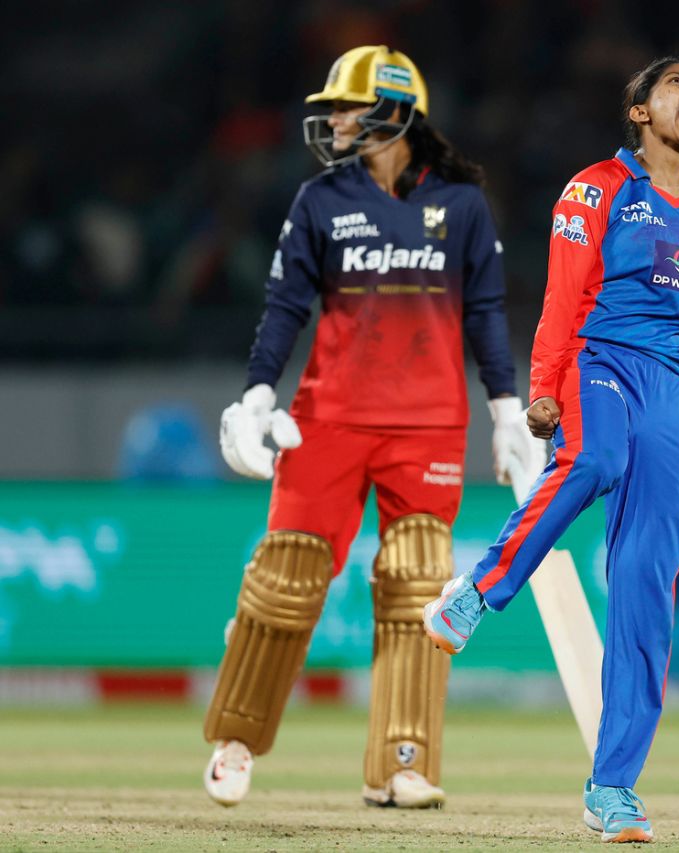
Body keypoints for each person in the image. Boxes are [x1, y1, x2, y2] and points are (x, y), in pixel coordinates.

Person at [203, 45, 543, 810]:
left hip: (426, 426)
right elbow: (287, 305)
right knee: (287, 578)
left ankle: (401, 763)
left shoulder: (459, 205)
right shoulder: (319, 200)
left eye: (348, 108)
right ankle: (236, 739)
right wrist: (259, 394)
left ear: (396, 110)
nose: (334, 122)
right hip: (328, 418)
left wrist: (504, 410)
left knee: (420, 583)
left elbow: (486, 312)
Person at [423, 57, 679, 843]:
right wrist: (545, 383)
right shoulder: (596, 188)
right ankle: (478, 591)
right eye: (678, 85)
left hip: (670, 393)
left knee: (645, 588)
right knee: (593, 461)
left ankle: (612, 789)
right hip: (601, 362)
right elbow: (564, 293)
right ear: (638, 110)